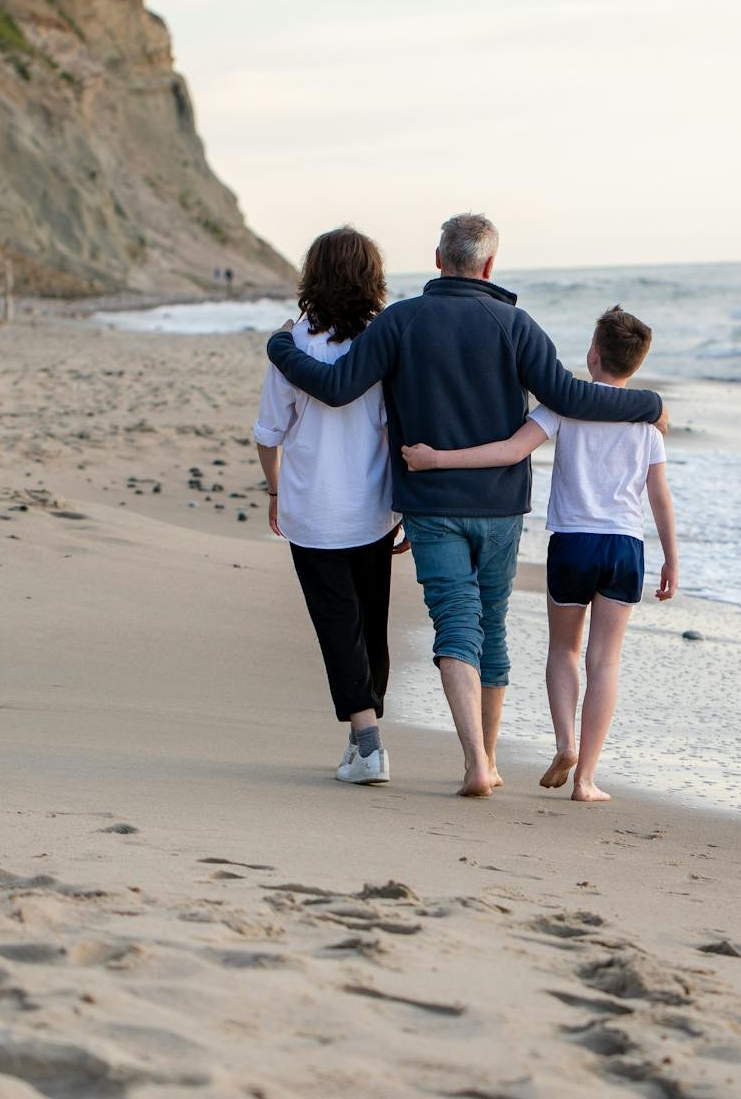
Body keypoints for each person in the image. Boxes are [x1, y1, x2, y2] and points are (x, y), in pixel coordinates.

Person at [267, 214, 666, 798]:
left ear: (437, 258)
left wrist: (280, 346)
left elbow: (335, 386)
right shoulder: (515, 324)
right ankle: (489, 759)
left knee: (455, 624)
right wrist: (647, 402)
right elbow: (571, 397)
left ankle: (477, 762)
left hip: (430, 504)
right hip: (501, 506)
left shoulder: (401, 319)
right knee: (492, 627)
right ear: (489, 265)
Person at [403, 304, 677, 803]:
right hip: (626, 546)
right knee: (605, 662)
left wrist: (436, 459)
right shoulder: (645, 423)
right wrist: (672, 560)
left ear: (592, 355)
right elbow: (659, 495)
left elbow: (508, 451)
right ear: (635, 364)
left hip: (572, 544)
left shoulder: (562, 406)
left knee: (564, 651)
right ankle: (587, 779)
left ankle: (564, 743)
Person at [254, 226, 401, 785]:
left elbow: (269, 432)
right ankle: (363, 740)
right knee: (371, 625)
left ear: (312, 276)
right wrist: (404, 503)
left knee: (338, 624)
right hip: (372, 507)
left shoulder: (295, 347)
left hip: (312, 507)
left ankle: (366, 745)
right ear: (372, 279)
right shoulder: (384, 344)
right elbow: (393, 429)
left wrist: (274, 488)